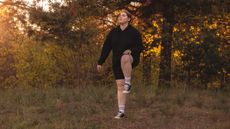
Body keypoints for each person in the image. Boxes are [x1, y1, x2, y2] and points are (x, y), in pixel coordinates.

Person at [97, 9, 143, 119]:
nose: (120, 17)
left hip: (131, 58)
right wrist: (100, 62)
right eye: (119, 16)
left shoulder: (134, 32)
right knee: (120, 86)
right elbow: (106, 48)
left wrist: (130, 50)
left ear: (128, 19)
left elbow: (140, 47)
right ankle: (121, 111)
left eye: (123, 16)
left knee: (125, 57)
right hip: (117, 61)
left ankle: (128, 82)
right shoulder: (113, 33)